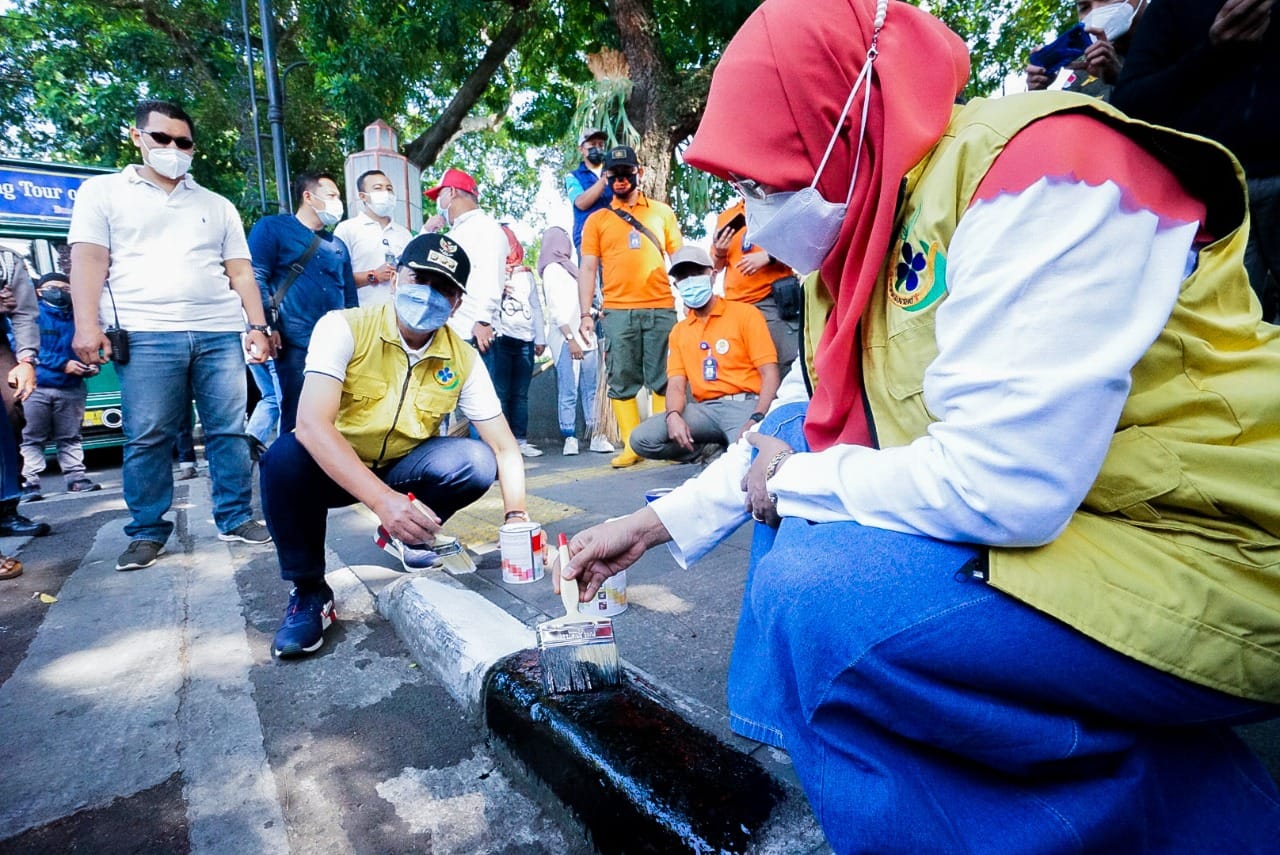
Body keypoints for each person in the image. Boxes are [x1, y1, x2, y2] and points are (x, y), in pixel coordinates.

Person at [563, 0, 1280, 851]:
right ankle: (914, 765)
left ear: (838, 125)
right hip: (1098, 539)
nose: (753, 221)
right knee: (797, 467)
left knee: (823, 592)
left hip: (1216, 556)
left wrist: (793, 476)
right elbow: (797, 413)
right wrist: (647, 525)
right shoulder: (861, 222)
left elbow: (1003, 487)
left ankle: (1131, 816)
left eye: (764, 181)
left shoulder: (1041, 173)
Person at [260, 233, 529, 658]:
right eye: (419, 278)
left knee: (476, 461)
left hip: (402, 468)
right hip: (336, 467)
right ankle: (310, 591)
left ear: (457, 303)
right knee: (284, 457)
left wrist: (517, 517)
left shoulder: (462, 358)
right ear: (395, 281)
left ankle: (404, 536)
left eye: (443, 288)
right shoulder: (345, 327)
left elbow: (504, 448)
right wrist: (383, 501)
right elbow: (311, 424)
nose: (428, 295)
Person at [70, 99, 273, 572]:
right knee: (147, 436)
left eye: (183, 142)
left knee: (228, 430)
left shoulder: (215, 204)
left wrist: (257, 327)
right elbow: (89, 261)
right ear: (137, 136)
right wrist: (86, 325)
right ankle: (146, 530)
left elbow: (241, 273)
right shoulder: (102, 193)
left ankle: (236, 516)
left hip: (219, 330)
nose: (173, 149)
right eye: (162, 138)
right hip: (144, 331)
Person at [1112, 0, 1279, 319]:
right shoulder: (1170, 9)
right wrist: (1212, 50)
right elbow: (1131, 105)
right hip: (1214, 204)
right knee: (1232, 330)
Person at [577, 145, 683, 469]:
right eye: (614, 174)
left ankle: (662, 443)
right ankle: (632, 445)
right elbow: (587, 268)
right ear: (606, 177)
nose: (621, 179)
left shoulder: (661, 213)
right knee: (622, 380)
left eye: (627, 173)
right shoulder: (597, 221)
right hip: (618, 311)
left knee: (662, 378)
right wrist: (584, 313)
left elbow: (679, 259)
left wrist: (693, 298)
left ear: (639, 173)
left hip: (661, 306)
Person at [630, 246, 779, 463]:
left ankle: (723, 455)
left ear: (713, 275)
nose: (690, 280)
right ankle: (706, 450)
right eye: (683, 276)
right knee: (641, 439)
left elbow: (770, 373)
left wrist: (758, 416)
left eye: (697, 273)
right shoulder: (680, 331)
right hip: (704, 411)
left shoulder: (745, 314)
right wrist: (672, 416)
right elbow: (676, 385)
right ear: (676, 285)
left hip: (744, 406)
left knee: (744, 460)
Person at [249, 171, 359, 434]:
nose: (337, 202)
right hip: (293, 343)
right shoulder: (272, 228)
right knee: (296, 417)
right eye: (331, 195)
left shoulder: (338, 245)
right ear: (308, 197)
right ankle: (289, 470)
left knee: (339, 417)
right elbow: (256, 277)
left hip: (336, 344)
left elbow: (350, 297)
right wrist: (266, 327)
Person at [19, 272, 100, 500]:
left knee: (71, 436)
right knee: (31, 437)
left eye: (66, 289)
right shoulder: (31, 317)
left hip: (71, 388)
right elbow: (24, 346)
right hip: (36, 388)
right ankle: (29, 483)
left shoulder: (80, 319)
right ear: (39, 291)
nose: (60, 293)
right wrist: (62, 364)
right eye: (54, 287)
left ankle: (76, 479)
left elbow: (91, 346)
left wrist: (92, 365)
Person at [421, 168, 508, 371]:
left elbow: (492, 277)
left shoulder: (486, 228)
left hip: (474, 334)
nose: (438, 203)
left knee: (477, 402)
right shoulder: (456, 232)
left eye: (439, 195)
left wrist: (484, 320)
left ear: (451, 192)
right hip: (451, 333)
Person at [536, 226, 613, 456]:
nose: (568, 243)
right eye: (564, 239)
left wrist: (594, 313)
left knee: (591, 388)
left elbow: (582, 302)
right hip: (564, 339)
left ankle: (595, 435)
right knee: (568, 389)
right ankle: (569, 436)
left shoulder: (574, 270)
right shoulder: (551, 269)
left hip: (586, 335)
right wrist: (570, 339)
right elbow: (556, 309)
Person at [0, 248, 52, 577]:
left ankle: (7, 508)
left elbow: (22, 313)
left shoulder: (6, 258)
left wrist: (25, 360)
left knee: (11, 412)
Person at [712, 199, 800, 368]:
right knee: (745, 367)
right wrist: (719, 252)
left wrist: (768, 256)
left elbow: (801, 244)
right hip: (736, 306)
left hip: (772, 303)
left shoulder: (780, 205)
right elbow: (715, 268)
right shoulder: (727, 216)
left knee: (783, 364)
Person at [490, 225, 547, 458]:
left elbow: (535, 306)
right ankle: (503, 444)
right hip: (501, 338)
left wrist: (540, 337)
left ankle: (521, 440)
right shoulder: (491, 271)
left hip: (525, 339)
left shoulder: (526, 274)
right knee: (500, 393)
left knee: (520, 394)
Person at [1025, 0, 1148, 100]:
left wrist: (1120, 78)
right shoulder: (1087, 68)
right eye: (1084, 7)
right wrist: (1037, 94)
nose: (1095, 12)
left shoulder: (1166, 40)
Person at [333, 169, 413, 308]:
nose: (386, 193)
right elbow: (336, 277)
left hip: (399, 315)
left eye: (389, 189)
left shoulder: (404, 233)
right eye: (378, 188)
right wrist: (373, 275)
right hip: (362, 317)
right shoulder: (347, 229)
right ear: (363, 196)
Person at [564, 129, 613, 258]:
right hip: (588, 238)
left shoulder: (615, 170)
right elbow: (580, 202)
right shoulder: (573, 176)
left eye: (601, 145)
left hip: (615, 235)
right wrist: (603, 181)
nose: (597, 148)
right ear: (581, 149)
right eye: (592, 144)